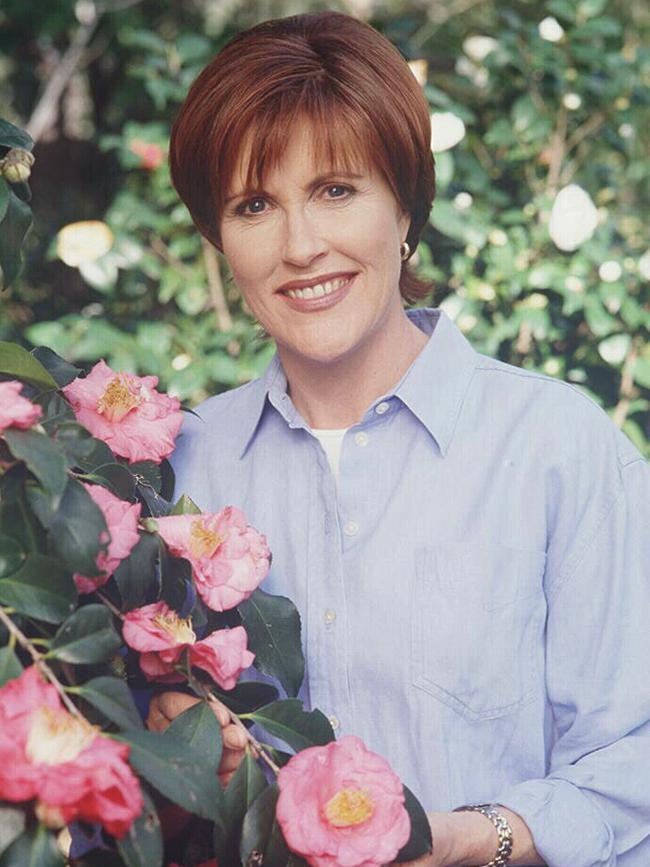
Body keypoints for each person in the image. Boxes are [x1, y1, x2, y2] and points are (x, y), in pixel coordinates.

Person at [149, 11, 650, 866]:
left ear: (406, 206)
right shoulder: (180, 461)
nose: (302, 246)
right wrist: (173, 748)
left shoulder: (558, 449)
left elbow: (629, 763)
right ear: (217, 237)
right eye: (255, 204)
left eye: (337, 190)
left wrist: (464, 839)